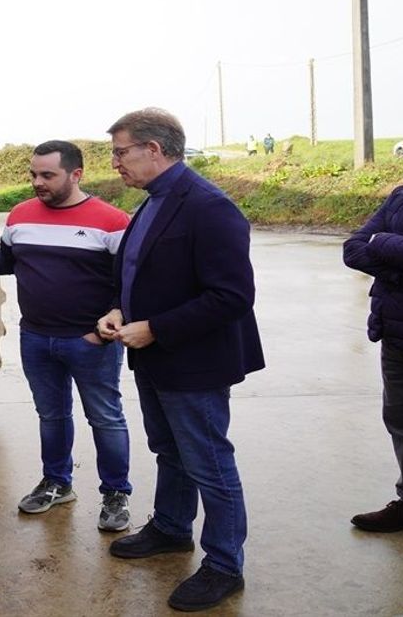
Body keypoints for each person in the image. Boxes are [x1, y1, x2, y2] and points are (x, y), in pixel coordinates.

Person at [96, 108, 264, 612]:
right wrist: (120, 308)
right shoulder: (153, 202)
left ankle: (223, 565)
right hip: (154, 356)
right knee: (169, 450)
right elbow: (145, 272)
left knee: (209, 462)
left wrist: (157, 328)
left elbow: (233, 295)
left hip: (193, 362)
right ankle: (171, 527)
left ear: (155, 149)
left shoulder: (209, 206)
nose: (116, 163)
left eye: (121, 152)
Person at [0, 140, 134, 532]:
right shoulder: (21, 215)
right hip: (37, 339)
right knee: (51, 415)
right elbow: (9, 261)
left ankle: (115, 494)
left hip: (90, 341)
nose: (38, 182)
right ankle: (57, 482)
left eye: (47, 175)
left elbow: (129, 283)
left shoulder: (111, 221)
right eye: (34, 174)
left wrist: (107, 324)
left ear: (76, 174)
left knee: (105, 417)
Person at [342, 118, 403, 567]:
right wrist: (402, 261)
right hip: (398, 334)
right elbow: (354, 247)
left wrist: (386, 245)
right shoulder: (402, 196)